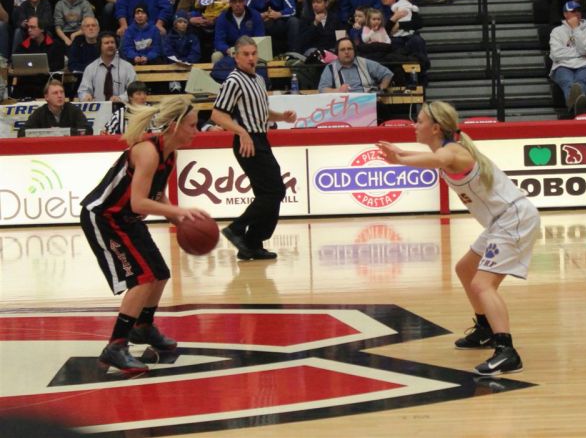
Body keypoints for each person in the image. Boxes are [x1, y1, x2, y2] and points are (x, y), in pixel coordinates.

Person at [376, 100, 540, 376]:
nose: (415, 126)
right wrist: (401, 153)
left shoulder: (454, 152)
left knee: (482, 284)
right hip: (500, 221)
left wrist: (401, 159)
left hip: (514, 219)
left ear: (436, 128)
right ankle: (485, 329)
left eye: (420, 121)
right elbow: (435, 157)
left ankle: (507, 351)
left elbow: (440, 160)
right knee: (465, 269)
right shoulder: (450, 147)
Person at [80, 95, 209, 373]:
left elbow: (157, 195)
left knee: (160, 273)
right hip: (105, 217)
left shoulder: (170, 154)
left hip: (128, 219)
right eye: (192, 125)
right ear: (174, 126)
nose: (196, 131)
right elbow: (139, 202)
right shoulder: (148, 152)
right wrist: (179, 212)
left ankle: (143, 326)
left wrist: (178, 216)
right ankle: (115, 346)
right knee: (142, 278)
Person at [211, 35, 297, 260]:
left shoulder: (258, 79)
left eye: (253, 54)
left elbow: (262, 112)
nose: (251, 58)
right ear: (236, 57)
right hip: (247, 142)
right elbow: (217, 115)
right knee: (275, 191)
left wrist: (282, 117)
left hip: (261, 138)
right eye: (246, 54)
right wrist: (241, 132)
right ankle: (236, 229)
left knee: (266, 194)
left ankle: (251, 245)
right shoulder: (233, 81)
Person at [549, 0, 586, 116]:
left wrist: (576, 29)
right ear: (565, 14)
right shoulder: (556, 31)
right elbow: (555, 54)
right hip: (562, 66)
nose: (577, 13)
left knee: (581, 82)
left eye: (578, 11)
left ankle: (572, 110)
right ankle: (577, 109)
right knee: (568, 82)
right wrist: (580, 53)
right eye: (573, 11)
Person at [12, 16, 65, 99]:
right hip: (26, 83)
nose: (29, 30)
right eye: (28, 27)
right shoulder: (22, 46)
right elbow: (15, 64)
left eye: (32, 27)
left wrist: (43, 70)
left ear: (42, 29)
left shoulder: (55, 45)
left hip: (47, 82)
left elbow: (60, 64)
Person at [77, 31, 137, 102]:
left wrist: (120, 98)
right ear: (99, 46)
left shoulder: (128, 67)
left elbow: (134, 90)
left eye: (112, 42)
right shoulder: (90, 68)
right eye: (106, 43)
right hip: (98, 107)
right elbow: (83, 90)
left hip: (121, 106)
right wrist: (85, 96)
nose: (110, 45)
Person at [17, 79, 92, 136]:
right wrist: (47, 133)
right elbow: (21, 133)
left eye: (62, 92)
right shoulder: (40, 113)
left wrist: (63, 131)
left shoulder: (73, 110)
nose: (60, 96)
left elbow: (88, 130)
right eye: (55, 93)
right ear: (46, 97)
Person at [317, 37, 393, 92]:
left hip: (368, 103)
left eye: (349, 49)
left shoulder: (365, 63)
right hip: (344, 105)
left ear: (354, 51)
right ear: (337, 53)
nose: (346, 52)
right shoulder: (330, 68)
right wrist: (338, 90)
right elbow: (322, 89)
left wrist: (381, 90)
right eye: (342, 50)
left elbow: (387, 74)